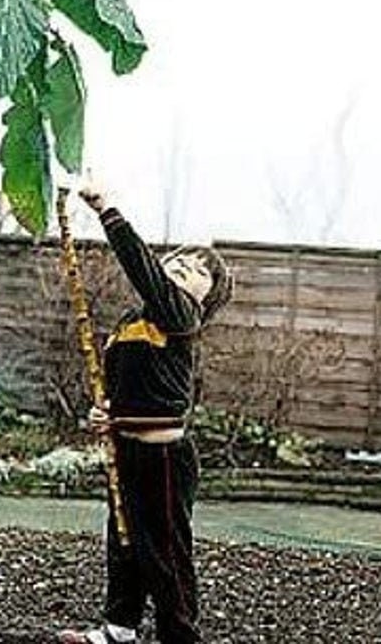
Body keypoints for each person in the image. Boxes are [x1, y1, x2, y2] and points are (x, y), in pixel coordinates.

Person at [59, 181, 234, 644]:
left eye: (199, 270)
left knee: (166, 554)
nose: (182, 268)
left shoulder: (181, 317)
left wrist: (107, 210)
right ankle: (119, 628)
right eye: (177, 260)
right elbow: (122, 388)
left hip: (164, 461)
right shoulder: (131, 325)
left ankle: (182, 636)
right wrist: (106, 413)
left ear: (205, 298)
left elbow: (144, 271)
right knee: (123, 542)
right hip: (128, 453)